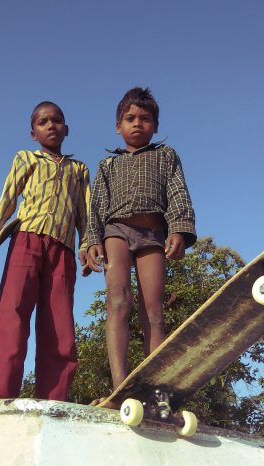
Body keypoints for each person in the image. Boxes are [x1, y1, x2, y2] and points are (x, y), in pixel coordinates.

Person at [0, 101, 90, 400]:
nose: (51, 125)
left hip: (63, 250)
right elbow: (7, 199)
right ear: (33, 133)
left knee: (59, 325)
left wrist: (88, 244)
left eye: (57, 120)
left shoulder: (79, 169)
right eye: (43, 122)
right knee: (12, 315)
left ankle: (53, 400)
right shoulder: (26, 158)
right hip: (26, 242)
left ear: (67, 129)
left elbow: (85, 215)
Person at [86, 87, 196, 401]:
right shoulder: (107, 166)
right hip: (116, 231)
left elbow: (178, 195)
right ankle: (119, 388)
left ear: (155, 125)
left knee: (154, 311)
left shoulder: (166, 156)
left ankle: (155, 390)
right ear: (118, 126)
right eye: (130, 118)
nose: (138, 124)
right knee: (118, 302)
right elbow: (96, 206)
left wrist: (179, 230)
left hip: (153, 236)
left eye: (145, 119)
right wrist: (93, 240)